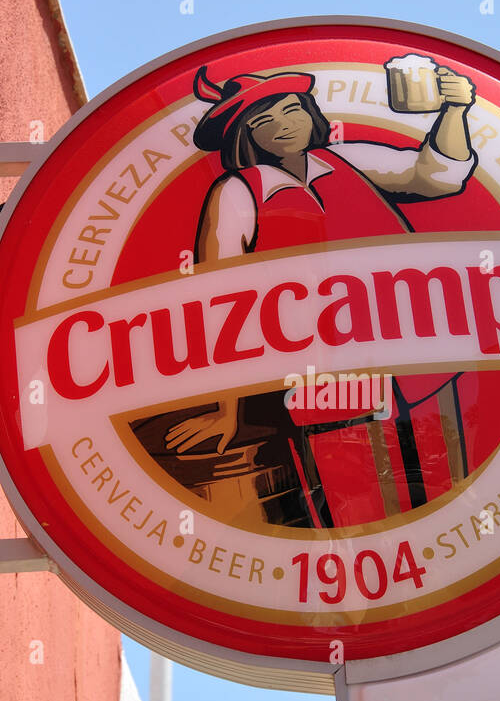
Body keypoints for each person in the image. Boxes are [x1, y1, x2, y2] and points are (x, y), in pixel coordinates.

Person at [160, 63, 480, 527]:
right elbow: (221, 307)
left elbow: (438, 175)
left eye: (294, 109)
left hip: (419, 361)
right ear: (244, 137)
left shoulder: (349, 159)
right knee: (361, 509)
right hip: (326, 380)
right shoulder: (236, 193)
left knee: (446, 498)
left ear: (313, 114)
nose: (286, 124)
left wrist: (455, 109)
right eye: (265, 119)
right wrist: (226, 414)